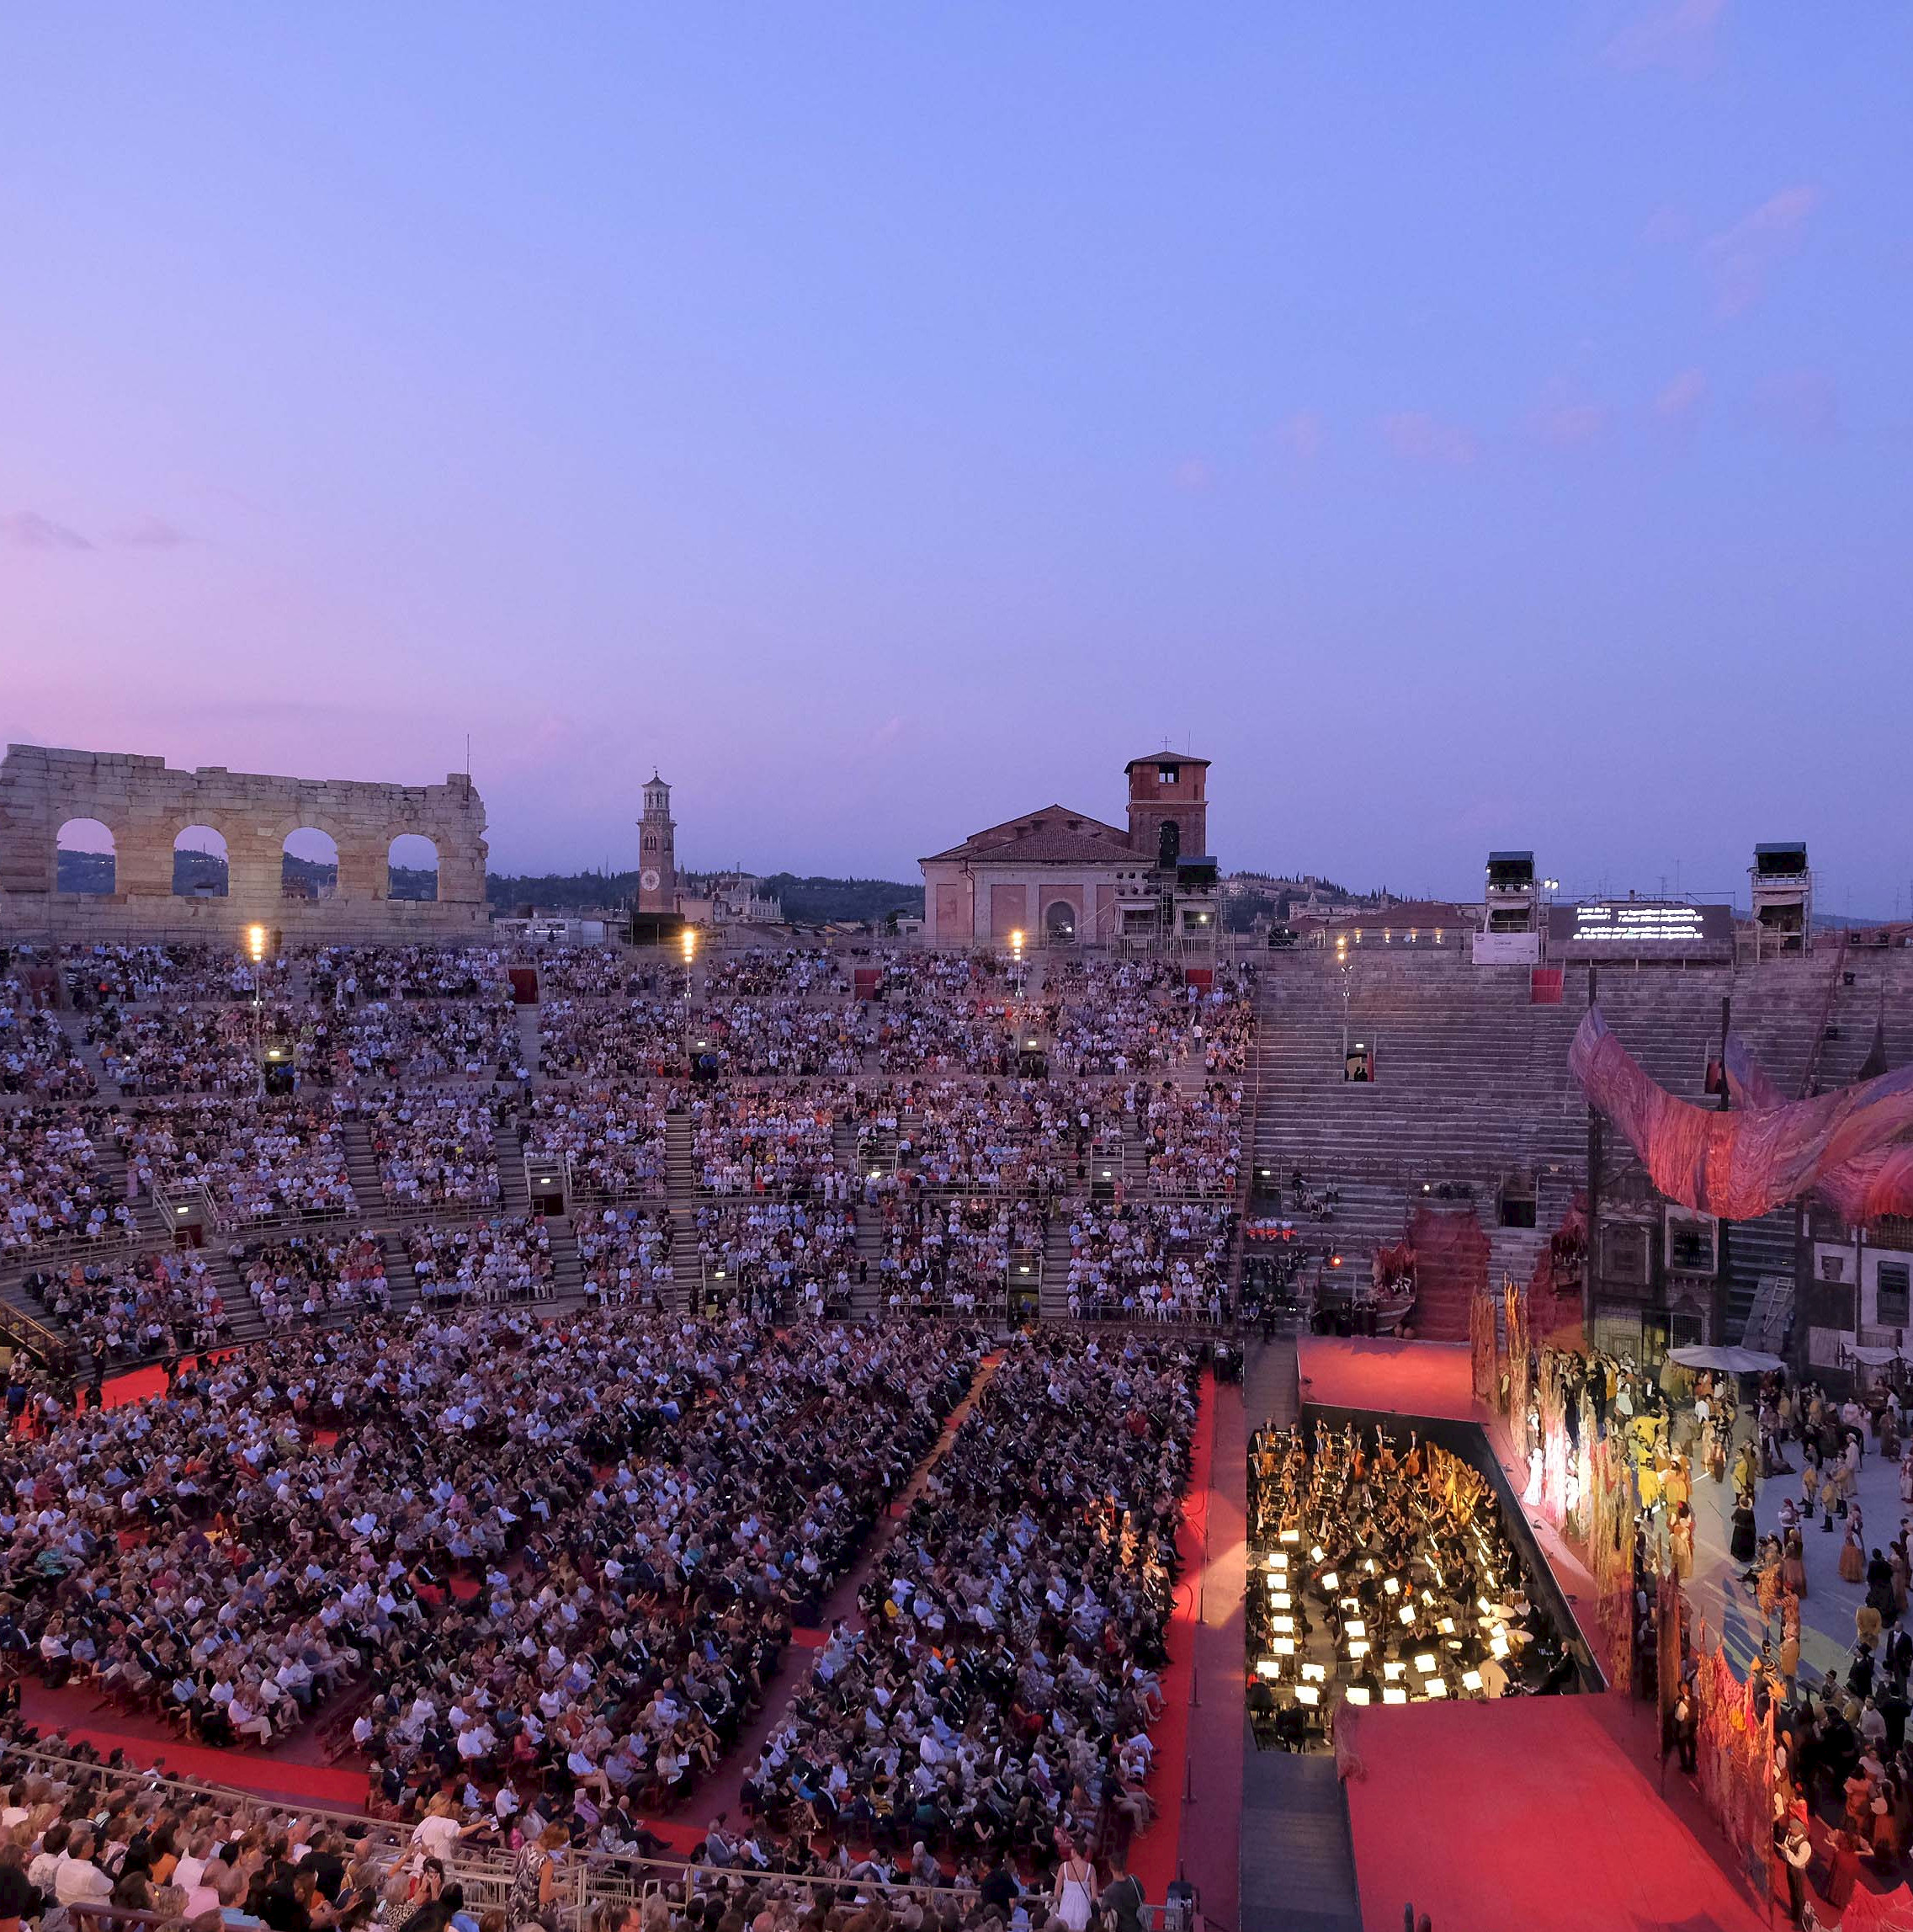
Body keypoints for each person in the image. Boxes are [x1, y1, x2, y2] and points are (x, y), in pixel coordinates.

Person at [1053, 1847, 1098, 1932]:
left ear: (1073, 1851)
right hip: (1084, 1908)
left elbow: (1057, 1894)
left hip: (1066, 1907)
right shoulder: (1090, 1868)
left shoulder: (1063, 1867)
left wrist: (1063, 1900)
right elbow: (1094, 1896)